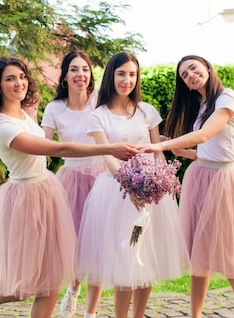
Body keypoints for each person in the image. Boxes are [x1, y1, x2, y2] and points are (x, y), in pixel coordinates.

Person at [0, 56, 138, 318]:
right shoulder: (3, 126)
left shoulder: (23, 112)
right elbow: (57, 148)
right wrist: (108, 148)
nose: (19, 82)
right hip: (25, 199)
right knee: (20, 286)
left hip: (47, 191)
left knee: (51, 281)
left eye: (22, 77)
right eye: (10, 79)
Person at [139, 55, 234, 318]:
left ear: (206, 67)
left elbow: (205, 135)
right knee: (198, 255)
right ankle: (195, 315)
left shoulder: (228, 98)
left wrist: (162, 146)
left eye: (193, 68)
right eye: (184, 75)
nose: (190, 75)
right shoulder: (206, 104)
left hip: (224, 183)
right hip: (200, 177)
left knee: (231, 259)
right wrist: (178, 148)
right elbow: (207, 149)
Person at [76, 51, 189, 318]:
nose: (127, 80)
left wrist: (159, 180)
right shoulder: (98, 116)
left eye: (132, 74)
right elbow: (107, 156)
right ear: (111, 76)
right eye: (121, 74)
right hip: (117, 195)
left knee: (145, 258)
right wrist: (129, 187)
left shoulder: (147, 111)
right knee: (125, 260)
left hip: (152, 195)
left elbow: (157, 150)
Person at [41, 50, 106, 318]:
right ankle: (72, 290)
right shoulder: (54, 108)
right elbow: (45, 147)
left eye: (85, 69)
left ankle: (90, 312)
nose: (81, 75)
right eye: (74, 70)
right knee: (74, 245)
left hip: (102, 177)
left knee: (99, 245)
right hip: (70, 180)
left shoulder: (100, 103)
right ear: (65, 75)